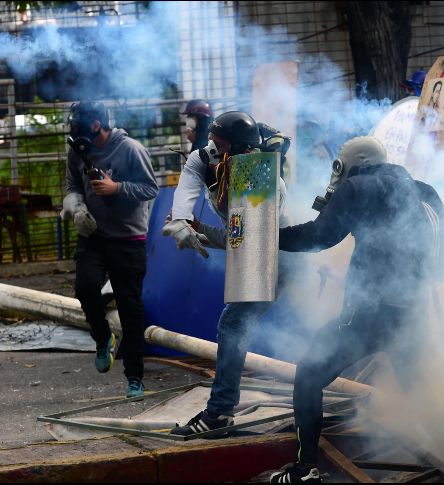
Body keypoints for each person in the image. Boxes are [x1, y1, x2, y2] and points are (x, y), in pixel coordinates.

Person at [269, 136, 439, 483]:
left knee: (308, 376)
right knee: (419, 391)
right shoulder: (425, 192)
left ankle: (304, 470)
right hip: (413, 314)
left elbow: (319, 236)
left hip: (368, 315)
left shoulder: (357, 187)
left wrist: (270, 237)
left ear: (346, 164)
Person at [163, 111, 291, 436]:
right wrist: (181, 221)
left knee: (233, 325)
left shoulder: (262, 181)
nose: (211, 150)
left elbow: (245, 241)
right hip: (252, 249)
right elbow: (186, 189)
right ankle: (221, 411)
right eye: (212, 141)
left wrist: (201, 231)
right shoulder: (206, 159)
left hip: (277, 257)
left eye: (220, 145)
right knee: (234, 325)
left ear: (242, 151)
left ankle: (219, 413)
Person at [60, 101, 159, 398]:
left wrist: (117, 189)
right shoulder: (78, 150)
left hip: (128, 240)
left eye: (78, 124)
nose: (73, 129)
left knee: (130, 307)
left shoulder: (130, 149)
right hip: (93, 236)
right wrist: (77, 208)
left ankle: (135, 377)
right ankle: (102, 337)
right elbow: (72, 186)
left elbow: (150, 188)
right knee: (85, 288)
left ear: (95, 125)